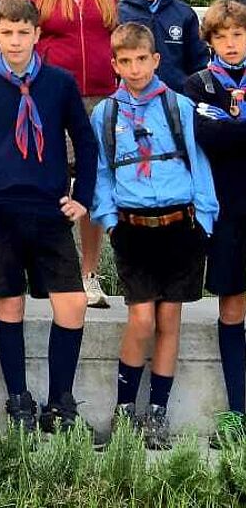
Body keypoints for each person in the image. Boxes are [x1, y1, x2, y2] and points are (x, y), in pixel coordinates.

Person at [0, 0, 95, 432]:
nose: (15, 41)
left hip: (49, 209)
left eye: (23, 32)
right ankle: (19, 400)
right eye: (7, 33)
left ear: (36, 34)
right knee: (9, 305)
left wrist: (81, 195)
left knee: (71, 304)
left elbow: (85, 143)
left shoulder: (59, 83)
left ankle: (61, 402)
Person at [90, 23, 217, 449]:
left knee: (169, 321)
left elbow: (198, 163)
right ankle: (125, 411)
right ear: (114, 64)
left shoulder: (179, 107)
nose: (134, 68)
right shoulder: (105, 114)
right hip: (134, 227)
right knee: (142, 319)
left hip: (181, 225)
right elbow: (102, 172)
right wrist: (108, 219)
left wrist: (206, 219)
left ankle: (157, 413)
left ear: (156, 60)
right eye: (124, 61)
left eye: (141, 59)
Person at [16, 0, 117, 310]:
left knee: (91, 186)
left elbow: (113, 34)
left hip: (100, 98)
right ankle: (51, 271)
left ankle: (89, 273)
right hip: (50, 97)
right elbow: (18, 39)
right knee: (51, 184)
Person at [184, 0, 246, 443]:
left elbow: (226, 133)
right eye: (221, 36)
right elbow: (209, 138)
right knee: (232, 308)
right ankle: (237, 414)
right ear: (209, 40)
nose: (230, 43)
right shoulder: (198, 86)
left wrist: (230, 126)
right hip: (226, 213)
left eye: (238, 34)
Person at [118, 0, 208, 93]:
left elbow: (198, 64)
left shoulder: (184, 14)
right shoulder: (117, 13)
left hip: (177, 102)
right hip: (131, 104)